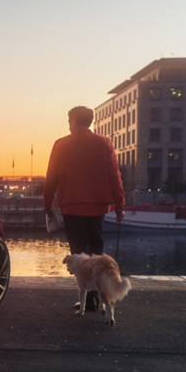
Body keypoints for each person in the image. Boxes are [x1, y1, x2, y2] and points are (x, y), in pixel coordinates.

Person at [43, 106, 126, 311]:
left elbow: (51, 177)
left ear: (73, 121)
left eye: (69, 120)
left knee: (79, 254)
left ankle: (87, 299)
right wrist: (119, 205)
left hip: (71, 205)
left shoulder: (61, 144)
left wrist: (47, 204)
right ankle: (99, 298)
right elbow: (114, 176)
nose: (68, 125)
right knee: (97, 251)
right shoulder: (104, 143)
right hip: (98, 206)